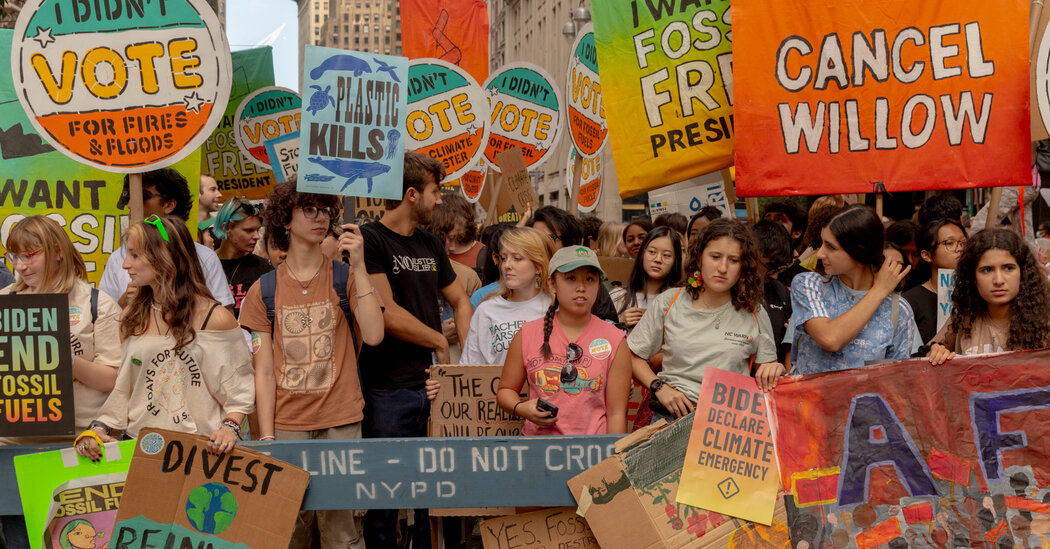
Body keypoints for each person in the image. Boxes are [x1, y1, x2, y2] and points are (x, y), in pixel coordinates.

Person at [240, 180, 384, 549]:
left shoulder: (344, 278)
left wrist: (360, 266)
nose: (320, 217)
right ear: (284, 219)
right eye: (309, 209)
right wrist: (267, 437)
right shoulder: (263, 291)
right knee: (286, 533)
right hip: (287, 429)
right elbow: (263, 371)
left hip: (341, 423)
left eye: (325, 210)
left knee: (342, 535)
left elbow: (374, 334)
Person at [359, 152, 472, 548]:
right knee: (384, 496)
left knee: (431, 493)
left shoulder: (430, 243)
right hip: (386, 389)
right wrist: (439, 340)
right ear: (411, 194)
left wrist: (469, 361)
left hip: (433, 388)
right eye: (434, 192)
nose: (439, 200)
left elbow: (460, 300)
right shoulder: (370, 240)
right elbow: (386, 312)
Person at [75, 215, 255, 461]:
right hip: (141, 449)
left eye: (134, 255)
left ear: (163, 258)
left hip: (200, 452)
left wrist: (229, 428)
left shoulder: (215, 318)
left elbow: (239, 390)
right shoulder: (131, 316)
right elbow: (125, 388)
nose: (125, 264)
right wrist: (99, 428)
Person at [626, 219, 781, 424]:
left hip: (726, 425)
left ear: (744, 266)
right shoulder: (670, 301)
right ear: (699, 258)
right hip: (672, 419)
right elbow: (632, 355)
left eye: (734, 260)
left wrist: (773, 368)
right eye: (715, 257)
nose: (723, 268)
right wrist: (659, 387)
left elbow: (765, 372)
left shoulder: (754, 311)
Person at [1, 216, 123, 438]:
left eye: (28, 256)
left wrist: (65, 359)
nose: (19, 266)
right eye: (15, 257)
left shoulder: (96, 303)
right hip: (13, 440)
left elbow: (112, 379)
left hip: (80, 438)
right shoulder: (5, 302)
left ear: (58, 252)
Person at [497, 246, 632, 434]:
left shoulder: (615, 340)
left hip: (593, 450)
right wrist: (521, 408)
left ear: (598, 285)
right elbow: (505, 390)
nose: (581, 287)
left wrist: (612, 452)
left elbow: (616, 414)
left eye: (590, 279)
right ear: (552, 284)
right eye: (571, 278)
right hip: (538, 449)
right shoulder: (527, 334)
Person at [789, 205, 914, 374]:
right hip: (807, 391)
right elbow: (830, 338)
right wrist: (879, 290)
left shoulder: (898, 310)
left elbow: (895, 377)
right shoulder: (809, 285)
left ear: (859, 250)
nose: (820, 254)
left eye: (830, 247)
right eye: (822, 243)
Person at [100, 169, 234, 309]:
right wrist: (125, 302)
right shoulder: (118, 259)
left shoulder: (204, 258)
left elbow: (225, 315)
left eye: (143, 196)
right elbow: (104, 316)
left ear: (169, 205)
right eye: (128, 197)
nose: (130, 205)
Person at [927, 228, 1050, 364]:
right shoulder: (964, 317)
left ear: (1023, 273)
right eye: (986, 270)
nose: (998, 280)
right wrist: (936, 351)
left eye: (1009, 268)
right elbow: (926, 354)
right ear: (973, 277)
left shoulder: (1044, 322)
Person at [461, 227, 555, 364]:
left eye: (517, 258)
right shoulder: (487, 310)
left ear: (539, 266)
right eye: (504, 258)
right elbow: (470, 366)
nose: (506, 265)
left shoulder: (555, 306)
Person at [528, 206, 621, 325]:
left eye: (549, 239)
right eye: (533, 238)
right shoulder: (519, 282)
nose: (538, 245)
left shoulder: (590, 286)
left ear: (569, 243)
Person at [903, 219, 967, 345]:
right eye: (949, 243)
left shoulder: (977, 293)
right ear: (926, 255)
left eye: (963, 243)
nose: (959, 248)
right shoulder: (910, 301)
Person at [612, 226, 684, 329]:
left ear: (675, 261)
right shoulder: (618, 296)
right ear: (642, 253)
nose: (658, 259)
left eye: (666, 255)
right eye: (652, 252)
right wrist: (620, 323)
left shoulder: (683, 300)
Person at [213, 197, 272, 318]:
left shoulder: (265, 270)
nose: (257, 236)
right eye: (249, 230)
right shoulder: (205, 265)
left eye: (257, 230)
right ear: (226, 228)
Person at [751, 220, 794, 363]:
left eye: (779, 269)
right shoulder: (728, 291)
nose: (774, 275)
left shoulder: (780, 292)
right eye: (769, 266)